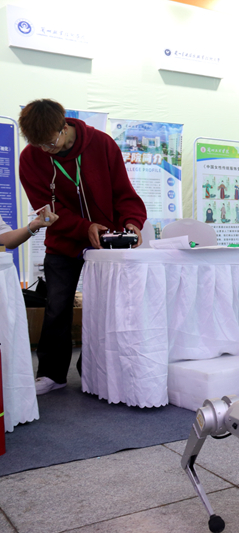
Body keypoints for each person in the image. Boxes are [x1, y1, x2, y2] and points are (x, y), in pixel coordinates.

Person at [18, 99, 147, 395]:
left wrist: (132, 221)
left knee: (104, 309)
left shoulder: (101, 144)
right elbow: (46, 208)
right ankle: (51, 373)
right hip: (62, 243)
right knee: (56, 308)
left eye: (50, 143)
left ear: (64, 127)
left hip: (105, 245)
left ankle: (92, 370)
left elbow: (123, 191)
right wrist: (83, 227)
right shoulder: (31, 158)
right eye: (39, 145)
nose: (46, 150)